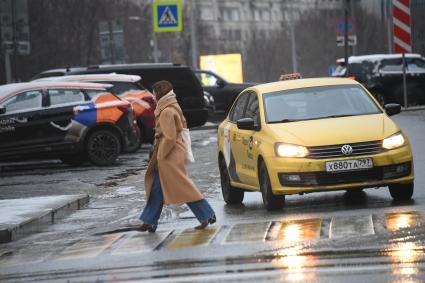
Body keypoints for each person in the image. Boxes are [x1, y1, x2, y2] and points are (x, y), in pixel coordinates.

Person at [138, 80, 216, 232]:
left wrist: (160, 155)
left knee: (181, 187)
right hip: (172, 153)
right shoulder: (171, 107)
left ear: (159, 93)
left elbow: (169, 137)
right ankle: (149, 221)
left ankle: (207, 214)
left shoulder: (166, 111)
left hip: (168, 155)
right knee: (159, 189)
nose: (153, 96)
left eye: (154, 93)